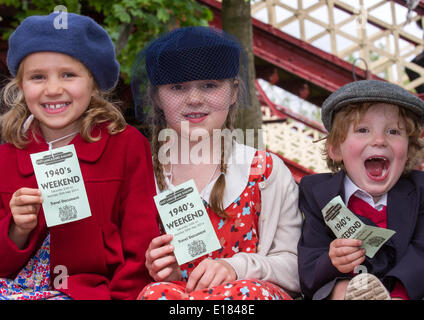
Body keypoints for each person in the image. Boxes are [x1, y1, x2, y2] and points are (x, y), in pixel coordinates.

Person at [130, 26, 302, 300]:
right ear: (157, 97)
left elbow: (296, 268)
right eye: (177, 87)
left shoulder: (265, 172)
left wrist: (236, 268)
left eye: (210, 85)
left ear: (233, 92)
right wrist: (159, 268)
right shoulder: (143, 175)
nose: (194, 99)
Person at [0, 12, 159, 300]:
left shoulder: (126, 146)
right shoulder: (7, 155)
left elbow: (140, 243)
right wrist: (16, 229)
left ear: (94, 83)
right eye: (37, 77)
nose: (53, 89)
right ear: (21, 86)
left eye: (68, 75)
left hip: (88, 293)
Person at [298, 79, 424, 300]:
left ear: (409, 147)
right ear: (336, 149)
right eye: (363, 130)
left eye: (393, 131)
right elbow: (308, 268)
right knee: (336, 291)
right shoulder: (317, 194)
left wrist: (398, 295)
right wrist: (332, 261)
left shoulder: (420, 190)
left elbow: (421, 251)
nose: (379, 140)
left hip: (406, 292)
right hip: (346, 289)